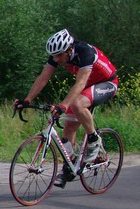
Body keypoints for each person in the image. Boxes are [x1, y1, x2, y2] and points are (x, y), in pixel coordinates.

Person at [14, 28, 118, 187]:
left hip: (107, 83)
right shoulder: (58, 55)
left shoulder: (85, 52)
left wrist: (63, 105)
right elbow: (43, 78)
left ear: (69, 49)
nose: (56, 59)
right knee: (69, 125)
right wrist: (27, 100)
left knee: (77, 104)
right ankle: (68, 168)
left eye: (59, 55)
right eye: (53, 56)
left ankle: (94, 139)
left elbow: (80, 83)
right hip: (88, 86)